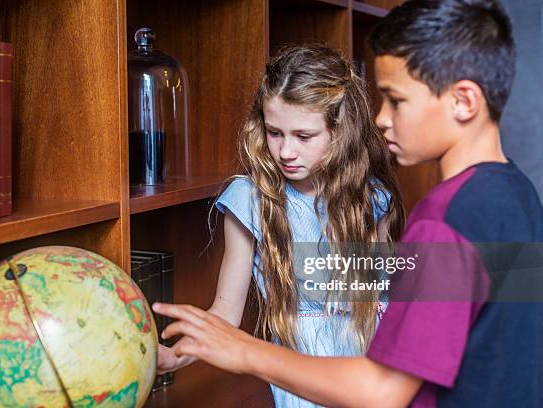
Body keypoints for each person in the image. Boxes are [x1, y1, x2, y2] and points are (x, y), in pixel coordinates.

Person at [153, 0, 543, 407]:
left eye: (395, 99)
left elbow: (383, 390)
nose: (380, 118)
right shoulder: (521, 196)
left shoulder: (442, 222)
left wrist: (246, 351)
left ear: (464, 101)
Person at [156, 45, 405, 407]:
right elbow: (225, 313)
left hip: (371, 379)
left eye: (304, 137)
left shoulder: (373, 198)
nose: (286, 151)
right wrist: (173, 358)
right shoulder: (249, 200)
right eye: (275, 133)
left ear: (342, 132)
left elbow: (390, 298)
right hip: (299, 385)